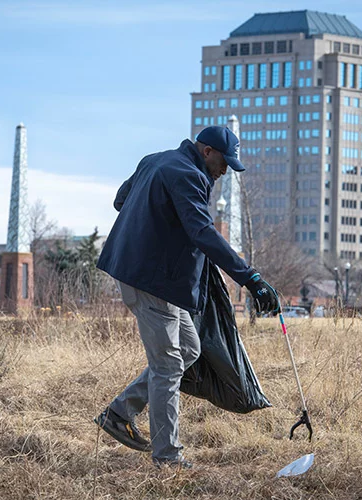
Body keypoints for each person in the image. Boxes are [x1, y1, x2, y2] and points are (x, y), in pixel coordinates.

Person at [94, 126, 280, 469]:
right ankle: (168, 458)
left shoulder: (155, 161)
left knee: (190, 350)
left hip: (148, 277)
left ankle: (119, 413)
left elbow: (121, 200)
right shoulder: (188, 176)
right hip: (152, 282)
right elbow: (202, 232)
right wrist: (250, 278)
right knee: (167, 367)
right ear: (207, 151)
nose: (225, 171)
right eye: (224, 162)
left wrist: (158, 224)